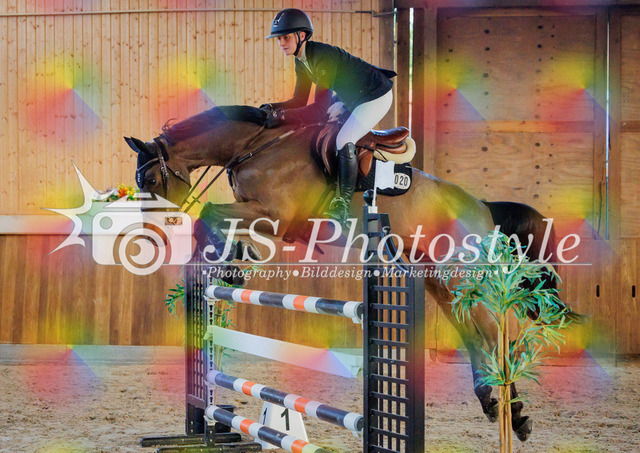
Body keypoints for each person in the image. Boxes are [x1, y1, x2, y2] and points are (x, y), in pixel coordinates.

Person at [260, 8, 396, 225]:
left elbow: (319, 109)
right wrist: (270, 108)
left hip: (375, 95)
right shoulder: (301, 60)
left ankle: (342, 206)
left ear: (301, 35)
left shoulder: (322, 57)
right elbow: (299, 101)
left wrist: (282, 117)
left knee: (344, 139)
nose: (281, 43)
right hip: (352, 97)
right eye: (279, 39)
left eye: (285, 37)